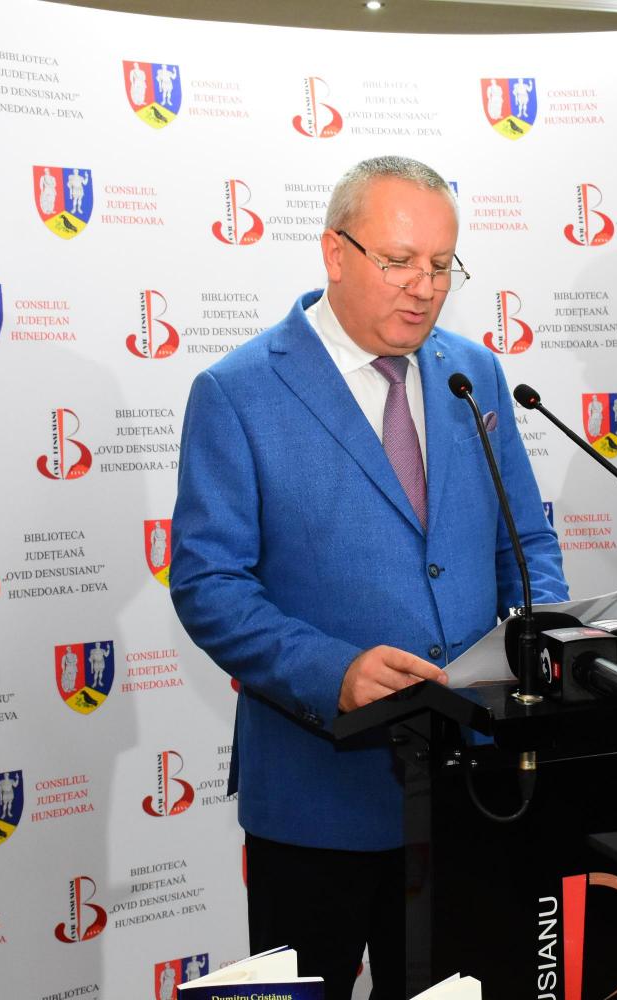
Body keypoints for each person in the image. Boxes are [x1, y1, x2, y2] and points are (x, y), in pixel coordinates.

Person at [170, 155, 566, 1000]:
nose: (424, 288)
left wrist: (545, 627)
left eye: (441, 265)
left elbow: (525, 539)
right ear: (335, 252)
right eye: (399, 262)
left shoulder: (474, 373)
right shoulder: (238, 391)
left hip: (471, 785)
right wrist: (335, 671)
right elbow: (209, 584)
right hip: (318, 792)